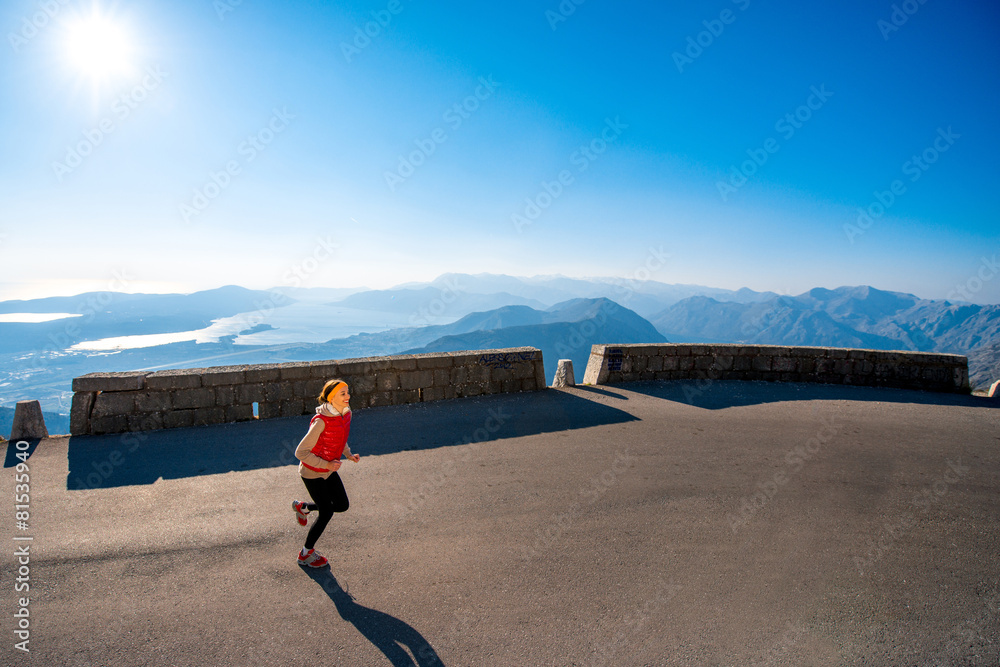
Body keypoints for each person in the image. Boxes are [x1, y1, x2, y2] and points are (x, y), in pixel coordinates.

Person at [292, 379, 361, 567]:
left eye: (348, 392)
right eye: (343, 393)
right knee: (327, 511)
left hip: (328, 470)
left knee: (342, 505)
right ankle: (305, 554)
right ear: (331, 397)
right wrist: (327, 464)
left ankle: (303, 507)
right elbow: (300, 453)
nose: (348, 396)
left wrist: (348, 454)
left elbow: (340, 438)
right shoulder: (321, 422)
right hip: (312, 472)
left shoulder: (346, 414)